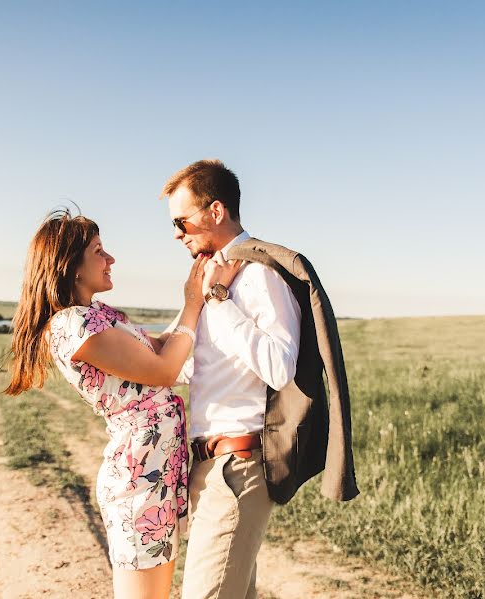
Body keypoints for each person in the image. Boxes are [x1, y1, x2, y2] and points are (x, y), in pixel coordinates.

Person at [4, 209, 241, 599]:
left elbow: (163, 347)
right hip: (139, 480)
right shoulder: (72, 325)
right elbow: (165, 370)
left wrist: (205, 294)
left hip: (156, 473)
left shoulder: (97, 316)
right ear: (72, 267)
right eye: (99, 251)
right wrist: (194, 302)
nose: (110, 259)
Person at [161, 159, 359, 599]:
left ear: (216, 211)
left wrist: (217, 299)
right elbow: (187, 368)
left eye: (181, 220)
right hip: (208, 468)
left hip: (238, 469)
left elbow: (278, 366)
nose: (177, 233)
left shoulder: (259, 275)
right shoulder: (211, 275)